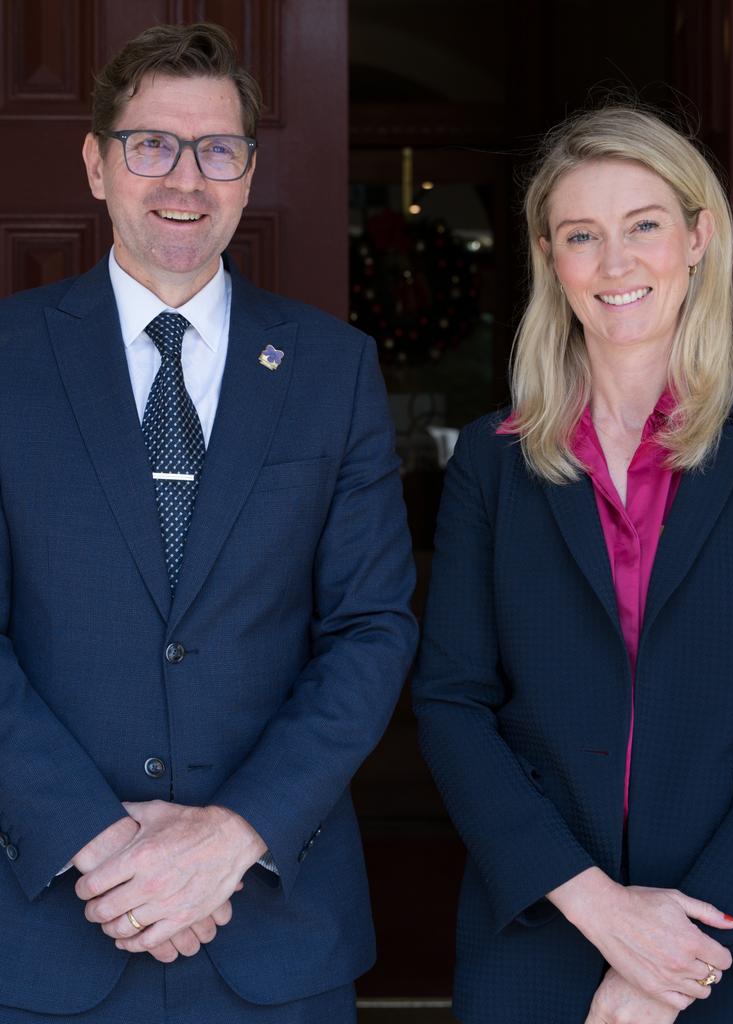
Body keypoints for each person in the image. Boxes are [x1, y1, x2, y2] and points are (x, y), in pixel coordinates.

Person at [0, 22, 417, 1024]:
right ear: (97, 163)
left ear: (249, 171)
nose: (185, 178)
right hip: (50, 930)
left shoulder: (332, 368)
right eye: (152, 144)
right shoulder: (6, 360)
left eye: (218, 149)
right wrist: (100, 849)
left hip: (276, 930)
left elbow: (372, 626)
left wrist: (232, 836)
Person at [412, 105, 733, 1023]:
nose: (615, 264)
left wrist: (681, 954)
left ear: (698, 237)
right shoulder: (495, 459)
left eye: (644, 225)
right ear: (550, 257)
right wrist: (601, 911)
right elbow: (452, 700)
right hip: (539, 933)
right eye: (583, 235)